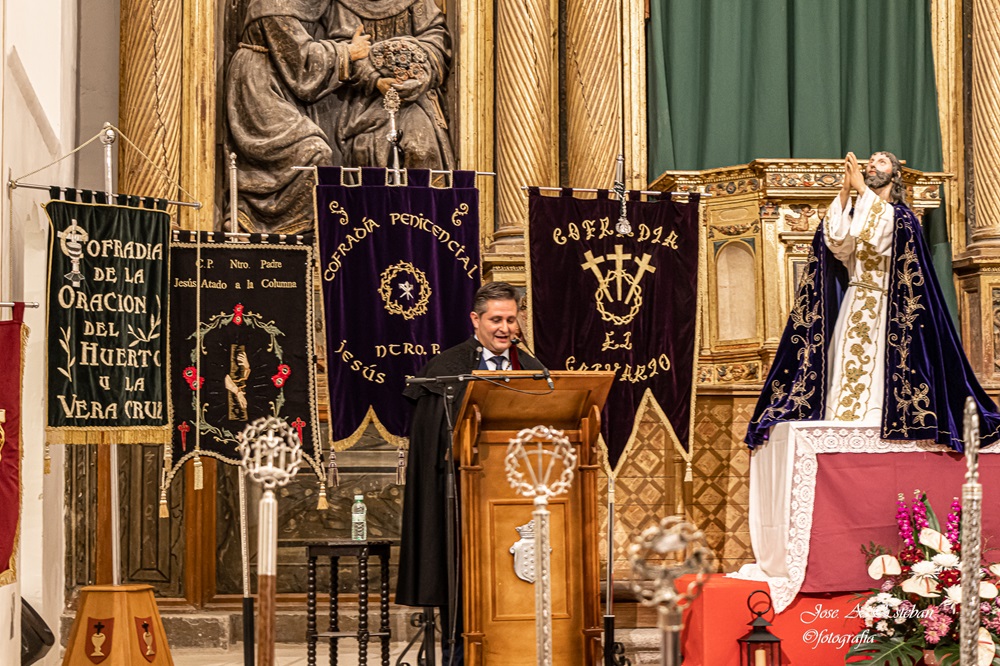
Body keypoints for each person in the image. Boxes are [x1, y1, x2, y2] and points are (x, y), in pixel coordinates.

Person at [746, 151, 1000, 450]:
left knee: (882, 362)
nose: (871, 166)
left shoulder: (902, 216)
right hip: (856, 299)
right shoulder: (860, 212)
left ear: (894, 174)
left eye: (881, 162)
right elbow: (839, 244)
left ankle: (882, 417)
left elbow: (882, 233)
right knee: (844, 357)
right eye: (869, 163)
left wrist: (861, 190)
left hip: (888, 306)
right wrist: (844, 192)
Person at [396, 282, 544, 664]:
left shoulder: (531, 369)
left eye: (511, 319)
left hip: (519, 503)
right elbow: (432, 446)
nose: (505, 328)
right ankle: (459, 657)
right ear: (476, 320)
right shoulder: (446, 371)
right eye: (496, 319)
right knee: (463, 583)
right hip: (463, 501)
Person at [226, 0, 372, 234]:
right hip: (259, 85)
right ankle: (267, 227)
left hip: (280, 81)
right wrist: (349, 52)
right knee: (313, 153)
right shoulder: (272, 4)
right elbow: (300, 60)